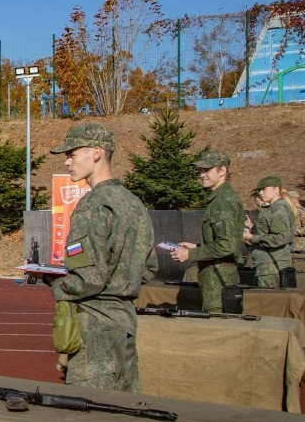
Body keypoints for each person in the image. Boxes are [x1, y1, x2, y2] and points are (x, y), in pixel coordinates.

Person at [48, 123, 156, 392]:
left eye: (73, 154)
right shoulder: (133, 203)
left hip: (95, 326)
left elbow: (90, 278)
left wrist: (53, 282)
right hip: (125, 321)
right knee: (124, 414)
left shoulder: (93, 206)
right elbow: (149, 266)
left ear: (96, 153)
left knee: (90, 417)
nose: (67, 161)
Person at [170, 150, 244, 313]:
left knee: (217, 328)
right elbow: (224, 240)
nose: (202, 175)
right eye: (200, 171)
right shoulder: (221, 198)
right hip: (217, 275)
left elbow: (227, 246)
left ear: (222, 170)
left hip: (218, 278)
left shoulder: (223, 201)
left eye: (207, 170)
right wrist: (196, 246)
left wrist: (191, 255)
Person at [244, 177, 294, 288]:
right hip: (267, 265)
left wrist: (252, 237)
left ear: (276, 190)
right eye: (260, 190)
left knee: (268, 302)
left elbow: (281, 237)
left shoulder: (279, 210)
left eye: (264, 189)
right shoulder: (274, 209)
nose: (261, 193)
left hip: (272, 267)